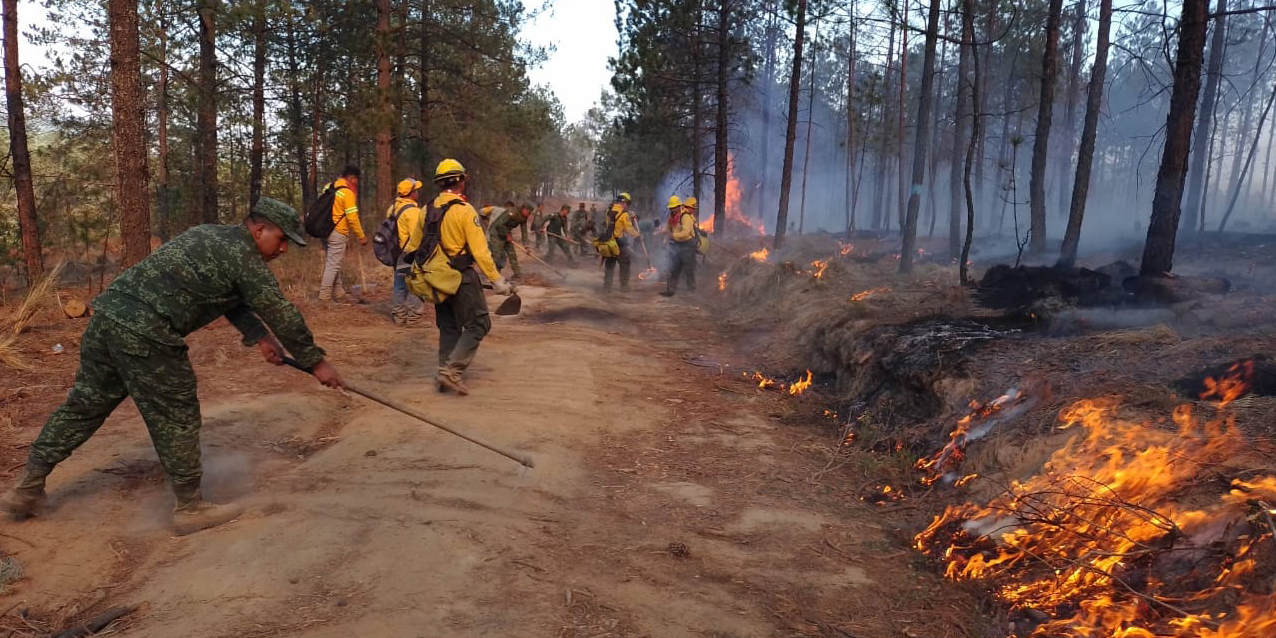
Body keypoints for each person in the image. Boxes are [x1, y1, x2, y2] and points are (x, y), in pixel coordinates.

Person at [1, 198, 345, 535]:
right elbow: (281, 312)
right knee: (176, 415)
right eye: (282, 239)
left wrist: (258, 336)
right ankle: (190, 508)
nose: (283, 249)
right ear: (259, 230)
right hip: (147, 333)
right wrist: (316, 362)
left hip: (107, 319)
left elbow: (227, 294)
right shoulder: (245, 257)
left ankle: (27, 488)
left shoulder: (210, 235)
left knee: (84, 406)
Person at [427, 159, 513, 395]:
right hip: (461, 277)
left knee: (448, 326)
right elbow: (480, 252)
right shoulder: (464, 211)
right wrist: (497, 281)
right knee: (479, 323)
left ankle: (443, 373)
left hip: (435, 277)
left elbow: (415, 246)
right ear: (460, 182)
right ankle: (451, 371)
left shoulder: (427, 209)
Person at [318, 165, 366, 302]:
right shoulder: (347, 193)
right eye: (357, 179)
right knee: (333, 264)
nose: (357, 182)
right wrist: (361, 236)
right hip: (337, 232)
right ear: (352, 178)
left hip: (324, 230)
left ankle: (339, 292)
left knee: (333, 262)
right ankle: (324, 297)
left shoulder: (329, 187)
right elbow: (352, 217)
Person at [388, 178, 426, 327]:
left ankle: (399, 317)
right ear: (411, 193)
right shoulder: (413, 212)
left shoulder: (393, 208)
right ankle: (414, 319)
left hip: (398, 253)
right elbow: (418, 236)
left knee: (400, 284)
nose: (417, 193)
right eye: (416, 190)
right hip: (412, 253)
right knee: (417, 284)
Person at [661, 195, 698, 296]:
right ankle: (671, 290)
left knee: (688, 268)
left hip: (687, 244)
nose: (672, 210)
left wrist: (672, 235)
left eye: (673, 208)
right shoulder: (671, 217)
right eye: (670, 208)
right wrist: (661, 232)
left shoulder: (685, 216)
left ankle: (691, 290)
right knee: (673, 267)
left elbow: (686, 233)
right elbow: (667, 228)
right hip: (676, 244)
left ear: (679, 206)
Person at [601, 192, 639, 292]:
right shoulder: (624, 213)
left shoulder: (609, 210)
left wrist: (629, 218)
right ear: (624, 202)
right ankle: (624, 286)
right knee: (625, 263)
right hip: (619, 242)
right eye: (627, 203)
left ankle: (607, 287)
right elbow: (629, 229)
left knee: (609, 264)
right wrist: (638, 235)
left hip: (609, 242)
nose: (627, 205)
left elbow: (612, 222)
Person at [487, 203, 531, 279]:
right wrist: (507, 235)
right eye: (529, 212)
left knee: (512, 254)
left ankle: (517, 274)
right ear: (524, 209)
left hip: (506, 232)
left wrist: (526, 245)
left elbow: (524, 231)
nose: (529, 215)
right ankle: (491, 275)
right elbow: (499, 225)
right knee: (496, 254)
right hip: (496, 232)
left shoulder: (524, 217)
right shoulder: (511, 212)